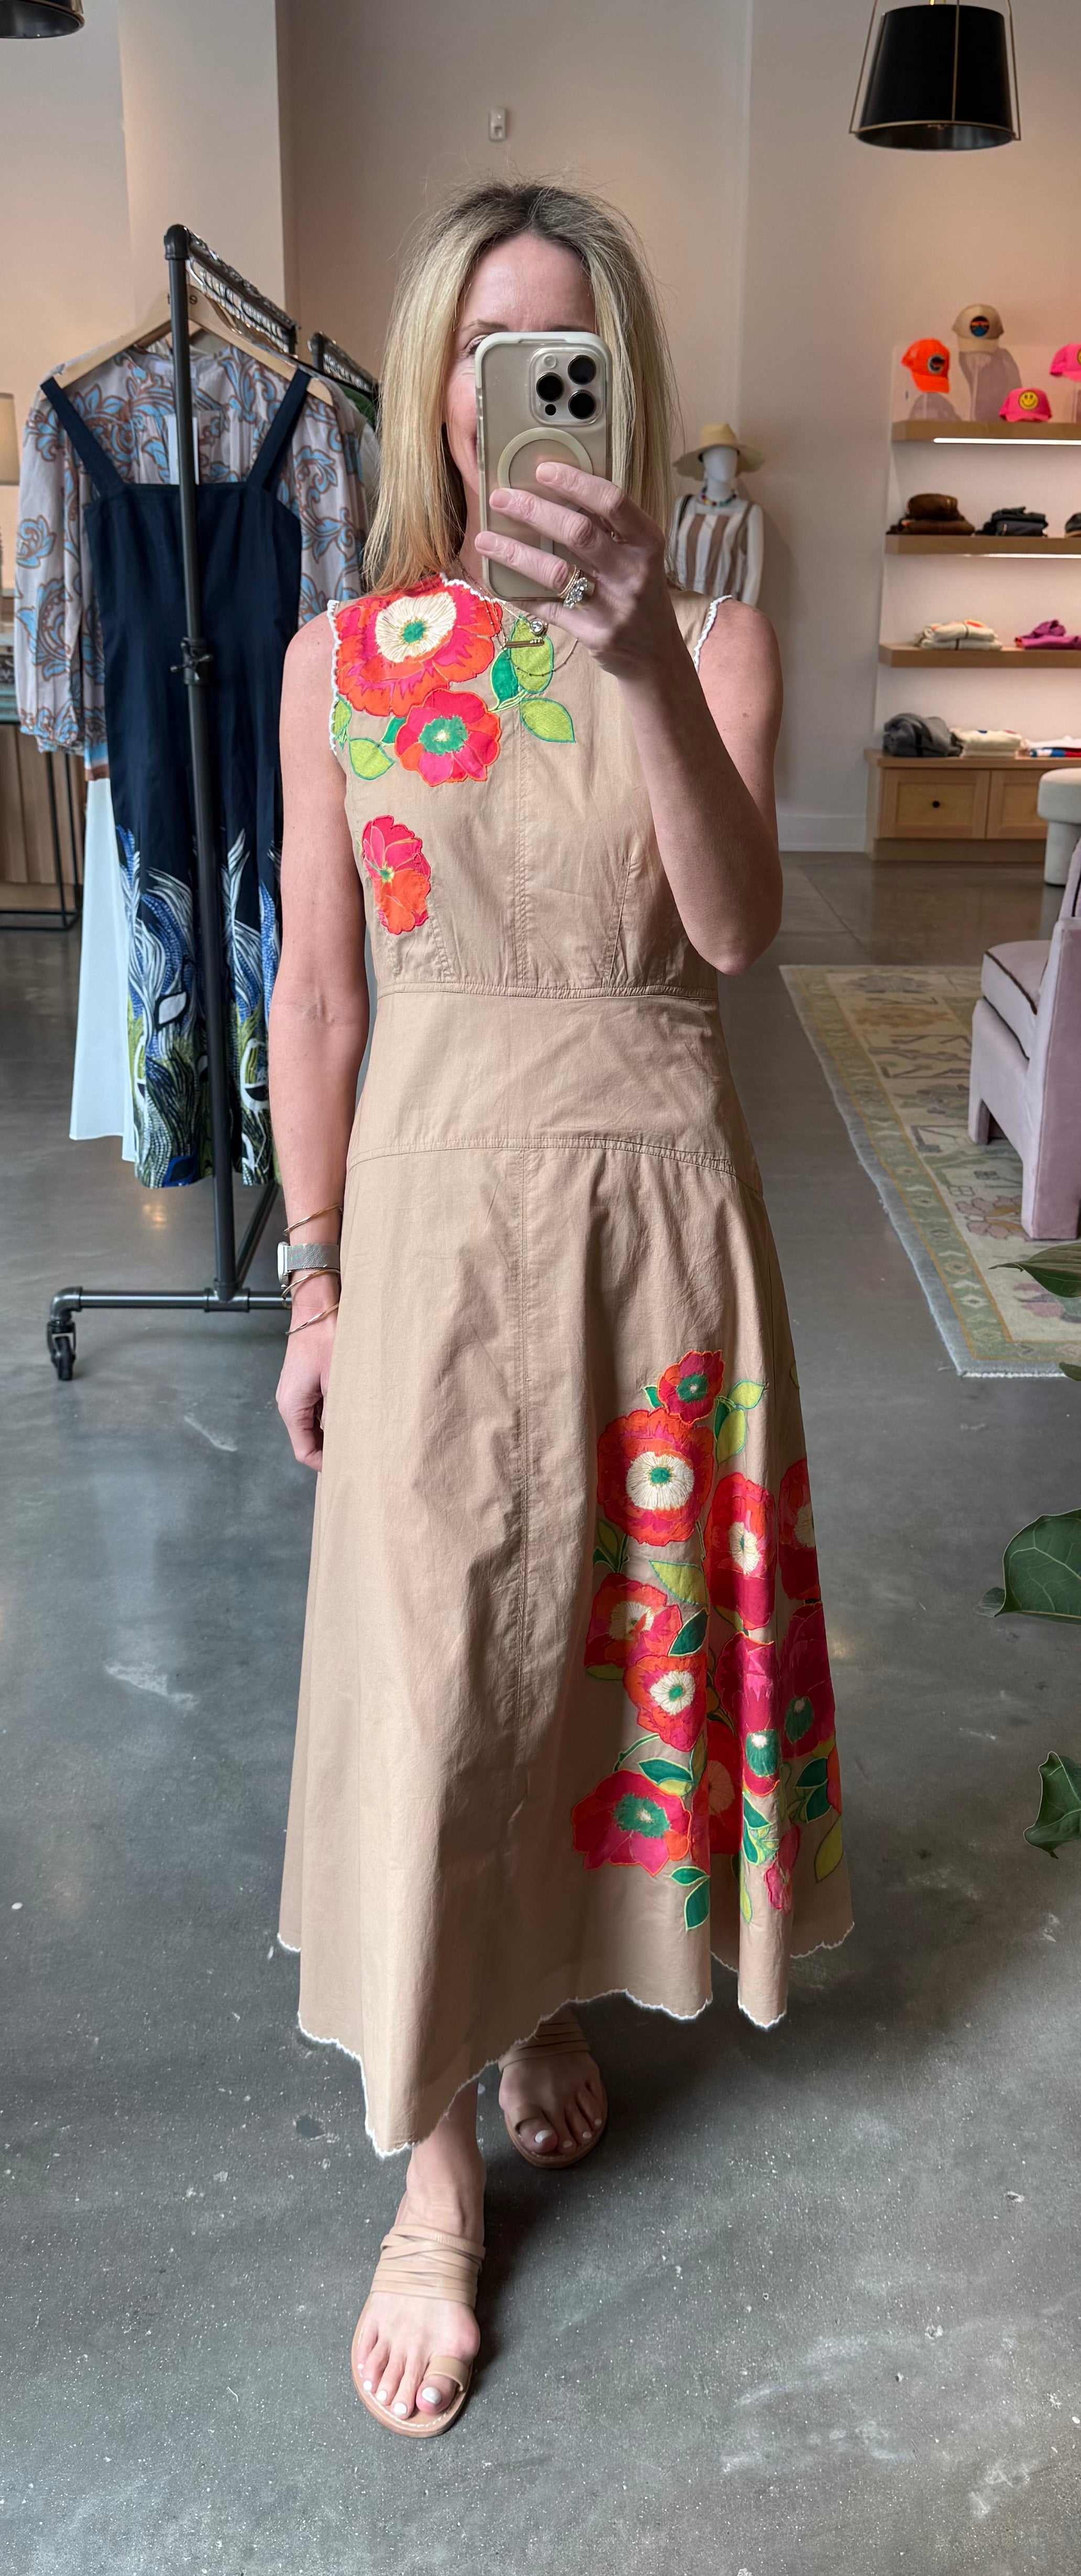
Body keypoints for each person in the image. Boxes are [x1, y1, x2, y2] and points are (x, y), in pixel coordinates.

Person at [268, 179, 851, 2441]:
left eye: (572, 354)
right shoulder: (340, 659)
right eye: (494, 353)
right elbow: (321, 995)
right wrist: (313, 1276)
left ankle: (536, 2002)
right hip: (430, 1215)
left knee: (603, 1646)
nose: (527, 395)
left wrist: (635, 661)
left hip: (656, 1208)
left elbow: (734, 930)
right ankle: (431, 2175)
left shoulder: (715, 642)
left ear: (620, 388)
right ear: (440, 388)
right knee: (436, 1673)